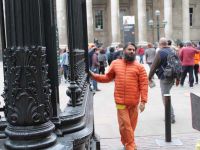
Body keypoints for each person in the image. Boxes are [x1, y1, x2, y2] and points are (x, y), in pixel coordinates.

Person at [89, 43, 148, 150]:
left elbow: (144, 85)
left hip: (134, 103)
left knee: (129, 126)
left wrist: (143, 101)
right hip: (120, 102)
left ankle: (125, 142)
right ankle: (131, 146)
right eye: (129, 49)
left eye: (133, 50)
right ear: (124, 50)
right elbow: (107, 77)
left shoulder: (139, 67)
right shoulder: (115, 64)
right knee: (126, 125)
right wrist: (93, 76)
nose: (132, 51)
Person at [148, 37, 180, 124]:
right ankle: (170, 115)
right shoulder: (173, 51)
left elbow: (153, 66)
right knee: (167, 95)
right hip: (172, 76)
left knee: (165, 97)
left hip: (165, 77)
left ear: (160, 44)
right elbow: (178, 65)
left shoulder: (160, 52)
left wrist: (149, 77)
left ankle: (171, 117)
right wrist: (178, 78)